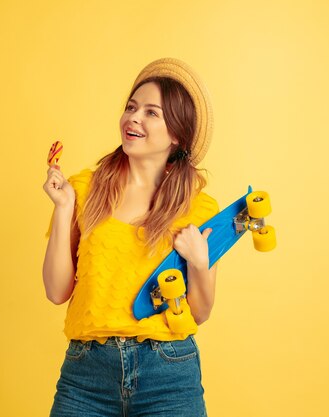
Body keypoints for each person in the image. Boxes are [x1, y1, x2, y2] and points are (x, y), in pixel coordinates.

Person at [43, 58, 219, 417]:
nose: (133, 118)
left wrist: (199, 263)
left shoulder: (198, 209)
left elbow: (199, 312)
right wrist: (63, 210)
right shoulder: (83, 190)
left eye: (151, 113)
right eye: (131, 107)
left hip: (169, 374)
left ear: (176, 135)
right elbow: (56, 291)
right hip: (86, 374)